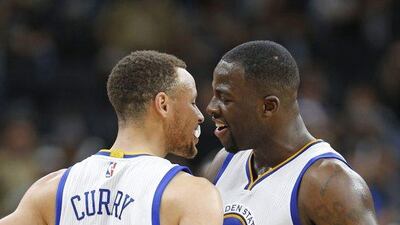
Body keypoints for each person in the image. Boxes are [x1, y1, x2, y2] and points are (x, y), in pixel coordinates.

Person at [0, 50, 223, 225]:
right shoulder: (192, 195)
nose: (200, 115)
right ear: (163, 104)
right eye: (192, 102)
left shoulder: (52, 190)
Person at [205, 41, 378, 225]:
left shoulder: (329, 184)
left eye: (225, 98)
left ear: (268, 107)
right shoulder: (224, 163)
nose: (211, 107)